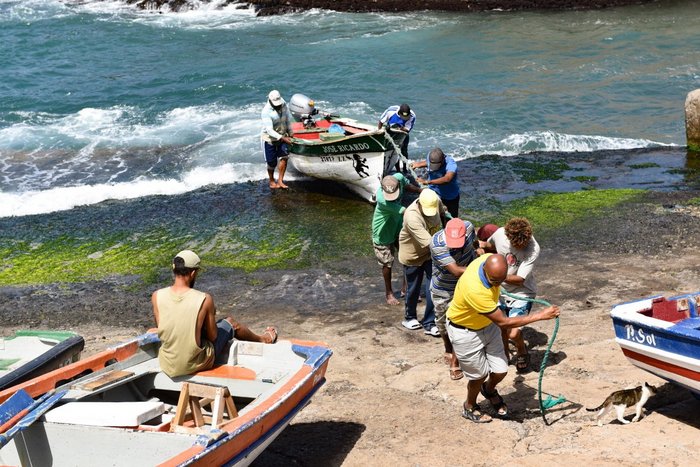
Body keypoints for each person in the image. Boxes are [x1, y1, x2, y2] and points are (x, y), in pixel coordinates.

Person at [446, 253, 559, 423]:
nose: (498, 285)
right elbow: (504, 322)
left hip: (486, 325)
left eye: (501, 280)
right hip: (465, 331)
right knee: (479, 375)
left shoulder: (489, 259)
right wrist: (540, 316)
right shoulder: (475, 289)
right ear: (485, 269)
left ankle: (489, 390)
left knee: (501, 369)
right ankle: (469, 406)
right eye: (494, 281)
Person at [152, 250, 278, 378]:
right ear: (193, 273)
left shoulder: (157, 296)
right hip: (194, 363)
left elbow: (160, 327)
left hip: (167, 364)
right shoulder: (204, 299)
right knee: (230, 322)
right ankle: (264, 339)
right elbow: (213, 337)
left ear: (174, 270)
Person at [479, 217, 541, 373]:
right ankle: (504, 353)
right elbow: (489, 246)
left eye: (522, 245)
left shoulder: (533, 249)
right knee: (501, 327)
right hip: (499, 289)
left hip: (522, 292)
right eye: (516, 245)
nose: (520, 247)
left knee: (513, 331)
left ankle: (521, 349)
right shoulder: (500, 234)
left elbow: (519, 280)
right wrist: (480, 247)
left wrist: (494, 275)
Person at [429, 218, 477, 380]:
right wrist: (483, 267)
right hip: (444, 288)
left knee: (461, 322)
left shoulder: (469, 228)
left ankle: (456, 360)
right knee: (442, 323)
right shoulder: (437, 244)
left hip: (467, 285)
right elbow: (455, 271)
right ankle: (448, 348)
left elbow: (475, 245)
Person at [398, 189, 449, 336]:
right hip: (412, 254)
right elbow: (429, 243)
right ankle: (410, 317)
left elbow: (442, 213)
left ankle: (430, 322)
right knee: (413, 288)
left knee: (433, 286)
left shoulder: (435, 200)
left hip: (430, 254)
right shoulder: (411, 216)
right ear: (419, 203)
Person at [372, 173, 420, 305]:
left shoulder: (398, 178)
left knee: (407, 256)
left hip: (398, 226)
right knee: (387, 262)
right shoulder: (383, 200)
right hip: (383, 232)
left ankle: (406, 288)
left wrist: (419, 190)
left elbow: (407, 184)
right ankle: (389, 293)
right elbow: (408, 211)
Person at [411, 147, 460, 218]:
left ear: (443, 160)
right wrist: (419, 164)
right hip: (434, 193)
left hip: (450, 197)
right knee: (433, 216)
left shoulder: (451, 164)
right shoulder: (430, 157)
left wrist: (427, 182)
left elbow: (447, 179)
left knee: (452, 219)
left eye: (436, 166)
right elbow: (427, 162)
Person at [261, 90, 294, 189]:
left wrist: (291, 133)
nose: (278, 106)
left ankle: (280, 180)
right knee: (271, 163)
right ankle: (271, 181)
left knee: (284, 157)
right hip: (269, 139)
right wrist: (284, 138)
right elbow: (270, 130)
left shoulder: (283, 104)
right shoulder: (266, 111)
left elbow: (287, 119)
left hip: (282, 135)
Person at [378, 103, 416, 171]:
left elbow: (407, 129)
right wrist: (379, 133)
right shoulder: (390, 111)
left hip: (403, 133)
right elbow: (381, 122)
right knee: (394, 151)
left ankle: (405, 169)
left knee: (404, 150)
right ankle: (397, 169)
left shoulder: (412, 115)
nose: (405, 119)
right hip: (391, 131)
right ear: (399, 113)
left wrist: (401, 128)